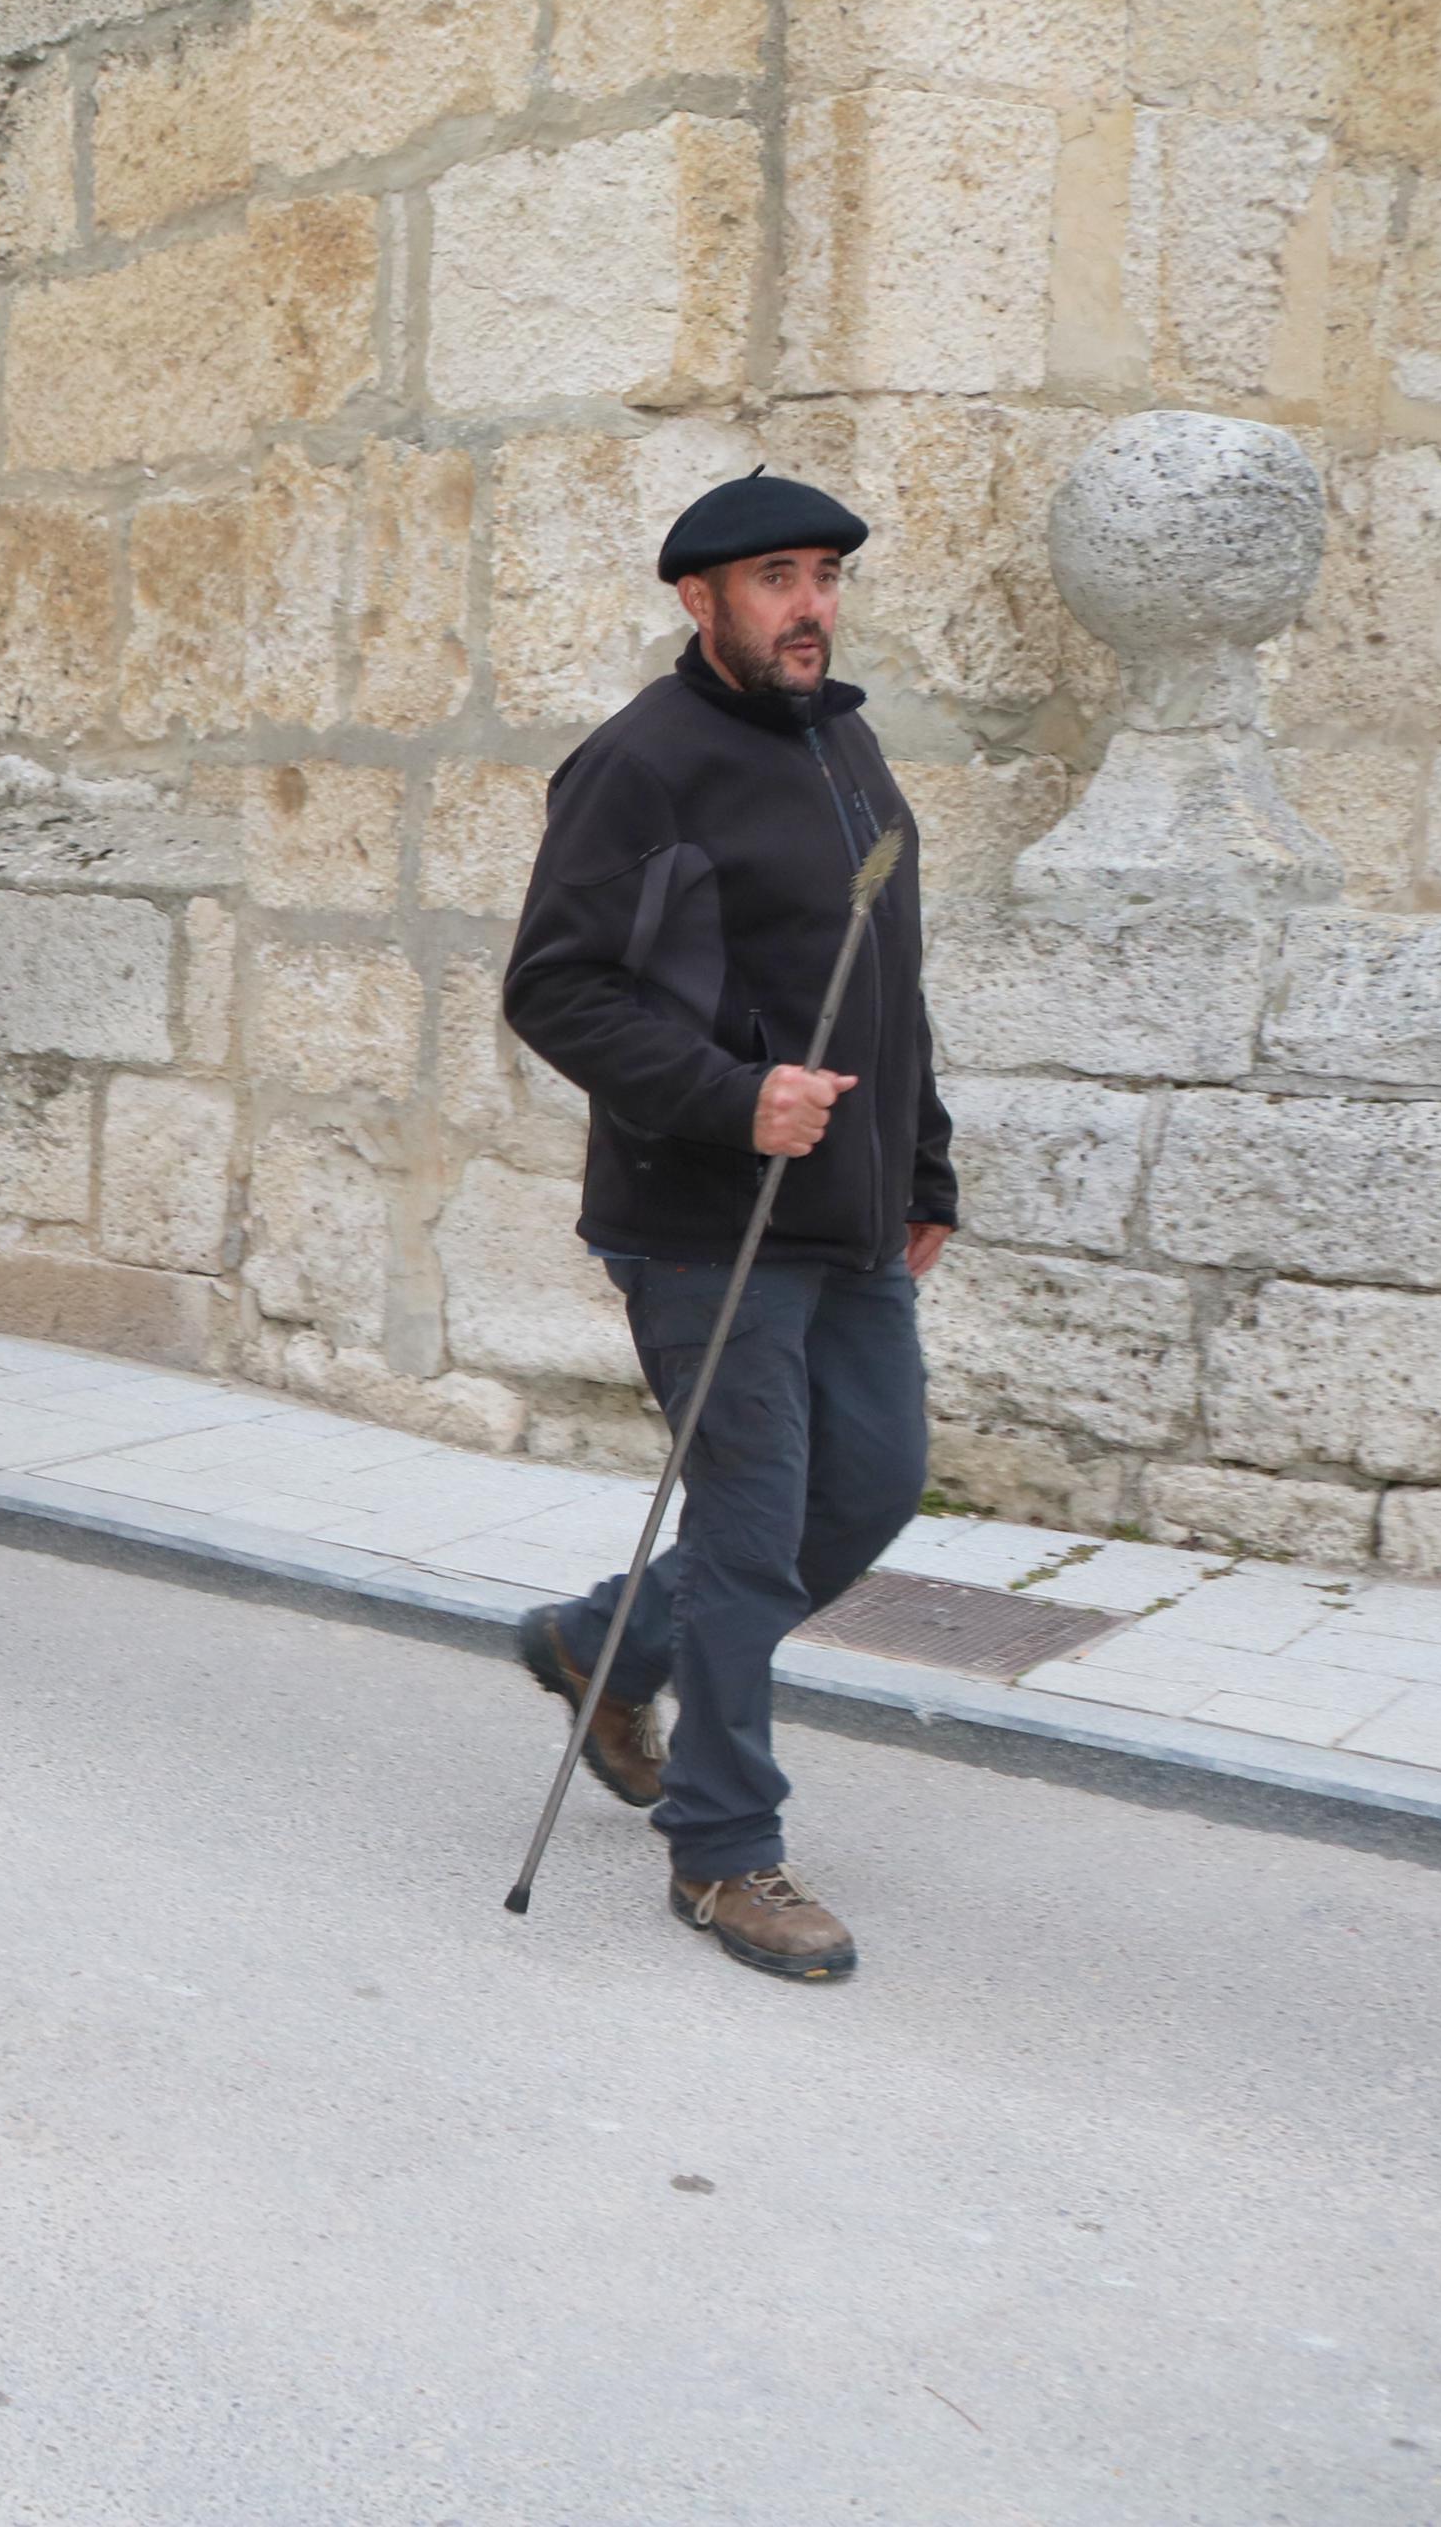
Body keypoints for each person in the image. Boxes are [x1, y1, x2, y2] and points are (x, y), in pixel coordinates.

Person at [499, 470, 954, 1985]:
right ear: (697, 600)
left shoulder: (844, 747)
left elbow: (886, 985)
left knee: (871, 1487)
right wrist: (726, 1096)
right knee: (753, 1529)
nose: (809, 602)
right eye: (774, 576)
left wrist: (922, 1171)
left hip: (844, 1216)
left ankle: (601, 1641)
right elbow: (553, 987)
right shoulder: (639, 764)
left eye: (821, 573)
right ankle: (721, 1850)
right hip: (703, 1219)